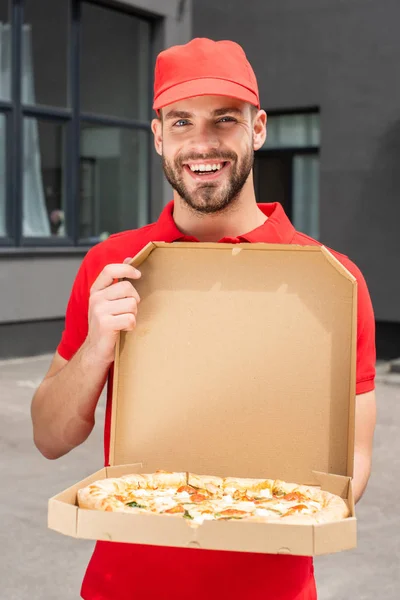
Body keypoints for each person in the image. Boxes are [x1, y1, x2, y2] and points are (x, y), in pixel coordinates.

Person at [31, 38, 376, 600]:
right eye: (182, 121)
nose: (201, 143)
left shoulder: (332, 282)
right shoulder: (113, 266)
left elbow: (350, 468)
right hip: (124, 588)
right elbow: (49, 437)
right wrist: (97, 347)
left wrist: (256, 504)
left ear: (258, 128)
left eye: (224, 119)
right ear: (158, 135)